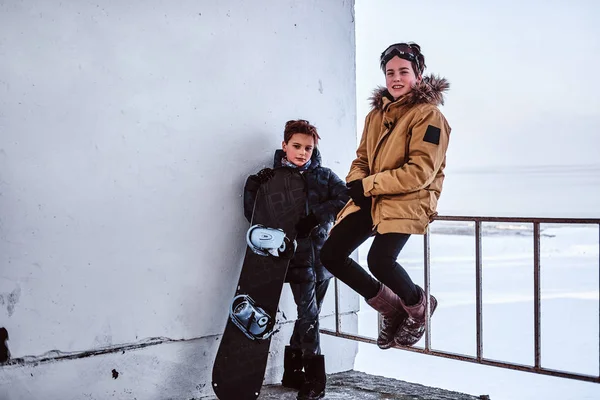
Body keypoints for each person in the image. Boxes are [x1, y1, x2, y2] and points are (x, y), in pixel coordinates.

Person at [320, 42, 451, 350]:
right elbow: (362, 159)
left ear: (418, 75)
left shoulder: (429, 117)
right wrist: (356, 182)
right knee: (331, 254)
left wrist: (368, 186)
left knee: (379, 260)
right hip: (374, 197)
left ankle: (418, 307)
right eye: (390, 72)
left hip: (409, 200)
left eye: (404, 71)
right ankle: (390, 308)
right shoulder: (375, 115)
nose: (396, 78)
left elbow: (420, 172)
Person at [243, 119, 349, 400]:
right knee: (309, 316)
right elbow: (253, 214)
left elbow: (347, 197)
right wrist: (255, 185)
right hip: (293, 260)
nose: (303, 153)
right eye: (297, 146)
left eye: (308, 148)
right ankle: (316, 380)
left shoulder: (324, 176)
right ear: (284, 146)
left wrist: (317, 217)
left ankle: (293, 372)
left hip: (322, 260)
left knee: (308, 318)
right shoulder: (273, 178)